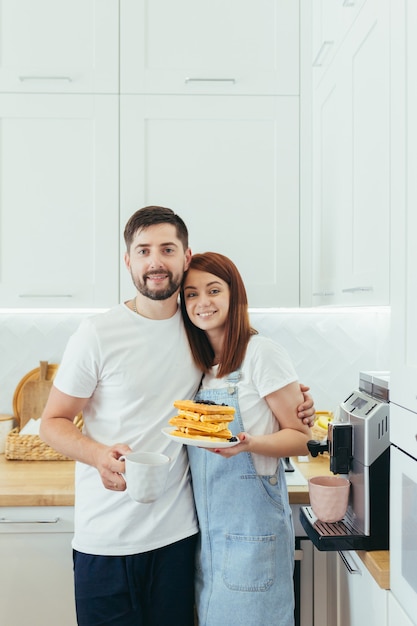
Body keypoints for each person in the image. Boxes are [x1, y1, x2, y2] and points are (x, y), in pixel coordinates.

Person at [40, 206, 315, 626]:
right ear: (128, 260)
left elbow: (258, 389)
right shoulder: (96, 333)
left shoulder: (198, 334)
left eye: (167, 249)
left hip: (181, 541)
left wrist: (294, 408)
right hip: (106, 541)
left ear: (186, 257)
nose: (156, 261)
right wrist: (97, 456)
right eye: (143, 250)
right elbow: (52, 422)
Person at [180, 251, 312, 626]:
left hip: (253, 542)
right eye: (191, 294)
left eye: (213, 290)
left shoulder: (261, 354)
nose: (202, 302)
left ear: (234, 294)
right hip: (209, 544)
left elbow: (303, 438)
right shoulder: (200, 366)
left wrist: (249, 443)